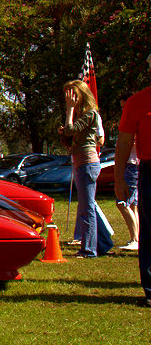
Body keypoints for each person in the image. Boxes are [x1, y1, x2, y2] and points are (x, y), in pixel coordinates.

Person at [115, 53, 151, 307]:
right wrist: (119, 178)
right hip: (148, 170)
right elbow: (124, 142)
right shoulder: (137, 102)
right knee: (148, 232)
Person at [61, 80, 101, 258]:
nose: (69, 99)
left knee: (87, 208)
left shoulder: (90, 114)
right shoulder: (81, 116)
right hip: (80, 163)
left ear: (81, 95)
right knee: (85, 207)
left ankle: (89, 249)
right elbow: (70, 136)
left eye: (72, 96)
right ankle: (99, 243)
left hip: (88, 163)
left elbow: (71, 130)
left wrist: (69, 111)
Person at [117, 93, 140, 251]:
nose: (123, 109)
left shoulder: (135, 120)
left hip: (132, 165)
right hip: (134, 165)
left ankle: (135, 239)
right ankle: (136, 238)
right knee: (133, 205)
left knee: (123, 202)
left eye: (124, 106)